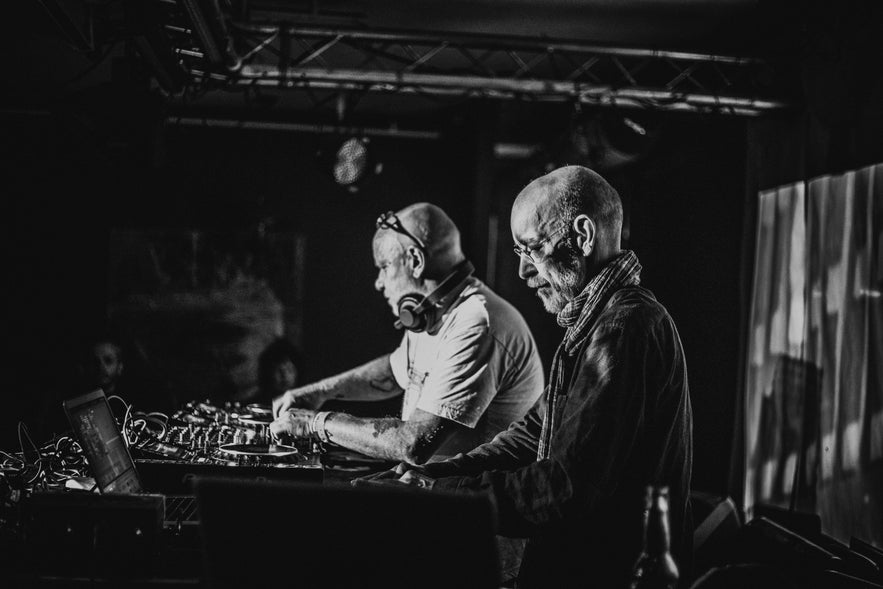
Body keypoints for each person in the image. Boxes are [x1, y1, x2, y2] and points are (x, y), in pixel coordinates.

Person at [366, 166, 694, 588]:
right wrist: (433, 476)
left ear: (583, 235)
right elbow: (529, 437)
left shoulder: (624, 328)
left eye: (531, 248)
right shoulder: (595, 326)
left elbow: (566, 486)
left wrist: (438, 496)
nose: (523, 273)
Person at [270, 202, 545, 466]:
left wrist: (314, 423)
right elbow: (394, 372)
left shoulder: (477, 323)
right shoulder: (436, 312)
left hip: (469, 506)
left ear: (414, 260)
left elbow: (414, 444)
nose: (379, 282)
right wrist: (319, 392)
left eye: (385, 266)